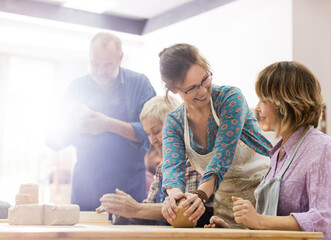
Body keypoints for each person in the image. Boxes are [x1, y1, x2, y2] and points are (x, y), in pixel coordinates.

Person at [209, 61, 331, 240]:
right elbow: (272, 222)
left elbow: (322, 219)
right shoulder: (277, 154)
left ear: (285, 102)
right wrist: (230, 230)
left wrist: (259, 220)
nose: (258, 107)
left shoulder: (321, 148)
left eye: (264, 100)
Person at [159, 44, 272, 228]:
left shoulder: (230, 98)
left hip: (265, 192)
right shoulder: (174, 122)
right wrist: (174, 197)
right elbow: (172, 166)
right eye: (192, 88)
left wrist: (201, 195)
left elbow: (222, 155)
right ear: (173, 90)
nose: (203, 91)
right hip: (227, 201)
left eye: (205, 79)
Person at [46, 32, 156, 220]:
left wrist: (107, 124)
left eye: (107, 65)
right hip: (85, 187)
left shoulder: (140, 84)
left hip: (127, 188)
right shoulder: (76, 88)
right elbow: (53, 140)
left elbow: (152, 134)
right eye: (95, 64)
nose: (100, 71)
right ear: (89, 58)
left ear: (120, 59)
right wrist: (72, 124)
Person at [96, 96, 213, 226]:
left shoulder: (195, 162)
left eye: (156, 131)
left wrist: (136, 209)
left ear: (179, 127)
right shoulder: (162, 167)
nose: (152, 140)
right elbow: (147, 215)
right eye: (148, 134)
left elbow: (185, 209)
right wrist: (123, 209)